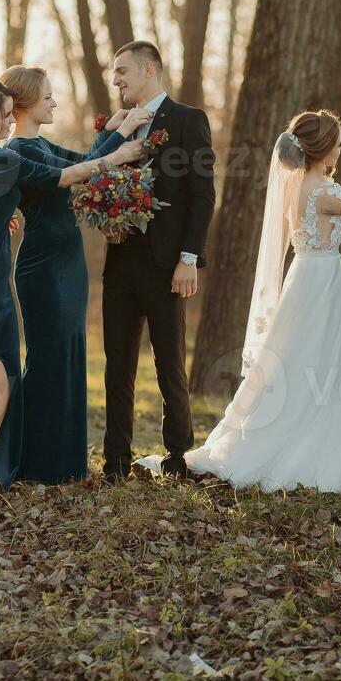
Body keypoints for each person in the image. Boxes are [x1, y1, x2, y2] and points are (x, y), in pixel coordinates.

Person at [140, 110, 341, 494]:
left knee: (302, 359)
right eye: (338, 143)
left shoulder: (302, 185)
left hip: (306, 277)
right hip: (321, 281)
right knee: (323, 361)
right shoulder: (321, 190)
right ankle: (312, 446)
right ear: (324, 148)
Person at [0, 77, 143, 497]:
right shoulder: (0, 159)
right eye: (6, 116)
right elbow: (63, 176)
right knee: (1, 380)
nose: (10, 123)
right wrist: (117, 154)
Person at [0, 65, 147, 484]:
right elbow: (70, 176)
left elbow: (85, 161)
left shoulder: (40, 144)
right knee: (48, 358)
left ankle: (65, 463)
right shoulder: (18, 152)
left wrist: (115, 130)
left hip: (69, 263)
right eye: (48, 97)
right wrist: (117, 150)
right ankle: (36, 463)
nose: (54, 103)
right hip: (42, 266)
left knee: (70, 355)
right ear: (24, 103)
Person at [100, 41, 216, 483]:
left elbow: (203, 196)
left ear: (148, 70)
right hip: (121, 263)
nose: (116, 80)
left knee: (169, 362)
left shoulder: (189, 120)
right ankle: (114, 459)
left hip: (168, 264)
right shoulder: (119, 127)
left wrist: (190, 258)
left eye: (122, 71)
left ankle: (177, 455)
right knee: (117, 363)